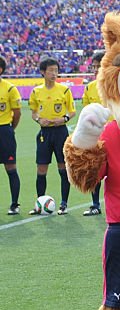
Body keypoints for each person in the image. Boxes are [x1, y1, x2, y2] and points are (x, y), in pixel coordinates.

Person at [28, 58, 75, 214]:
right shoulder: (36, 91)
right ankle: (39, 203)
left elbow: (72, 111)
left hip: (60, 132)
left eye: (56, 70)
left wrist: (63, 119)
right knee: (41, 169)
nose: (54, 73)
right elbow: (33, 113)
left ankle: (64, 204)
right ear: (43, 72)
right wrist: (39, 119)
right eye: (51, 70)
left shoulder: (64, 90)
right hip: (44, 133)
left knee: (63, 168)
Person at [80, 51, 106, 216]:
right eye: (95, 66)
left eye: (99, 66)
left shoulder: (113, 85)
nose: (96, 69)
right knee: (95, 170)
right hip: (96, 135)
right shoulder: (89, 88)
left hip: (114, 133)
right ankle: (95, 204)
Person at [0, 56, 22, 215]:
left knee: (11, 168)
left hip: (4, 132)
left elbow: (17, 113)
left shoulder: (9, 88)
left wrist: (10, 129)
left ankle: (14, 204)